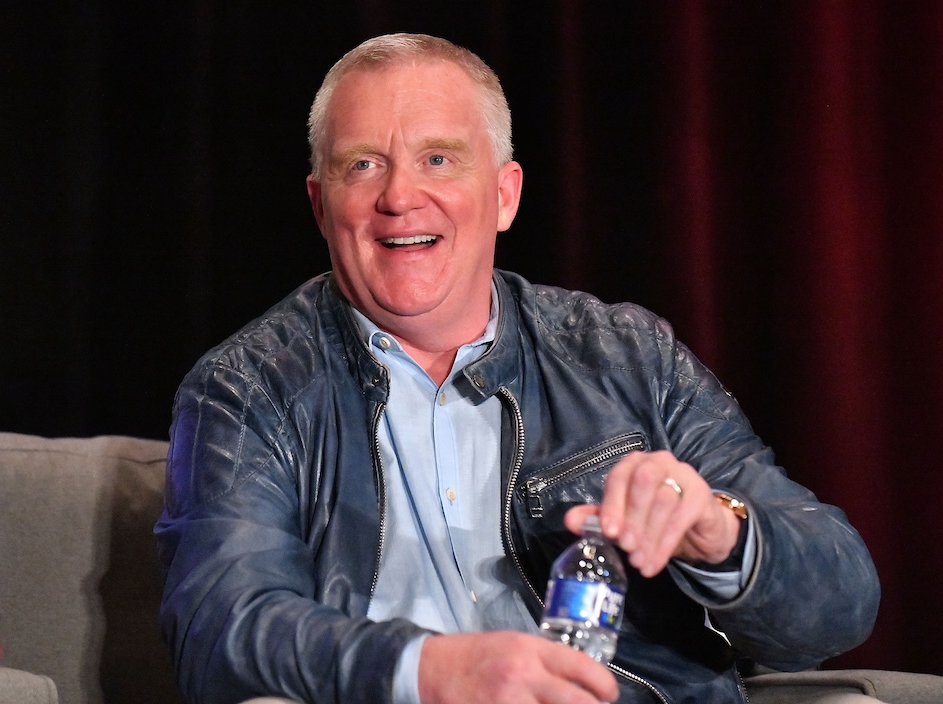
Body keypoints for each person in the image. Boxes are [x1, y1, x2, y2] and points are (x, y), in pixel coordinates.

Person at [155, 33, 879, 704]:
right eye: (363, 165)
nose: (399, 197)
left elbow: (840, 603)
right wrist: (430, 671)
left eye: (439, 159)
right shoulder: (248, 390)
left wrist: (722, 536)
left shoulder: (627, 355)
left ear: (505, 195)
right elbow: (220, 633)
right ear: (320, 205)